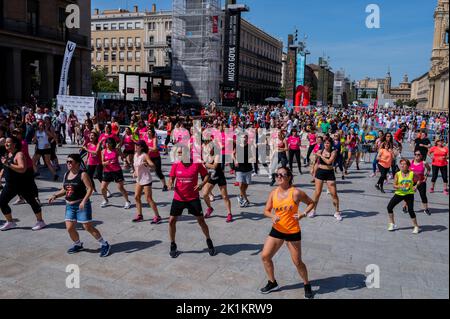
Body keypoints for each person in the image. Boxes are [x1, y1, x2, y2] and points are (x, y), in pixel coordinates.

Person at [260, 167, 315, 299]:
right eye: (276, 175)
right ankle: (272, 282)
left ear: (289, 177)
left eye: (282, 175)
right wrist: (271, 216)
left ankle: (307, 284)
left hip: (292, 232)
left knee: (297, 262)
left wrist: (303, 214)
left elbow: (311, 203)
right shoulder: (273, 193)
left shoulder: (295, 193)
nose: (278, 177)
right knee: (265, 256)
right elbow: (266, 210)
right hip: (277, 230)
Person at [48, 154, 110, 257]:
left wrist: (83, 201)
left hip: (81, 204)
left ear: (77, 163)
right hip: (69, 205)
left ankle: (104, 244)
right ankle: (78, 244)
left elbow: (89, 189)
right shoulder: (66, 174)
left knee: (87, 227)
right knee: (69, 228)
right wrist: (55, 195)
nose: (68, 163)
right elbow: (65, 189)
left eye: (70, 162)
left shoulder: (83, 174)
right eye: (67, 161)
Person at [167, 147, 216, 258]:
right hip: (179, 198)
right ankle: (173, 244)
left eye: (180, 153)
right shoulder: (176, 164)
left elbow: (206, 176)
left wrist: (201, 185)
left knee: (201, 221)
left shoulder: (196, 164)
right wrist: (170, 183)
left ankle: (209, 241)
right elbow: (171, 178)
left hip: (193, 198)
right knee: (171, 221)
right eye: (178, 153)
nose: (179, 155)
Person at [0, 136, 46, 231]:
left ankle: (40, 221)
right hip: (10, 185)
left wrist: (8, 164)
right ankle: (10, 222)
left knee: (32, 201)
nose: (6, 144)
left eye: (8, 142)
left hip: (22, 184)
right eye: (6, 142)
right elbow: (5, 168)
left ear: (15, 144)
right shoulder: (7, 154)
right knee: (2, 202)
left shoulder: (19, 154)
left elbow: (22, 168)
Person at [309, 138, 342, 221]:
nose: (326, 145)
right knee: (317, 193)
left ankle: (337, 212)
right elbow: (316, 162)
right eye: (325, 143)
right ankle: (313, 210)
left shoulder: (333, 152)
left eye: (328, 143)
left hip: (329, 172)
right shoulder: (320, 150)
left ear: (331, 144)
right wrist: (313, 169)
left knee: (334, 193)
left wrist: (320, 156)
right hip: (320, 172)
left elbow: (329, 162)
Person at [202, 139, 233, 223]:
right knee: (204, 194)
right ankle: (210, 208)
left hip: (219, 176)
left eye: (210, 147)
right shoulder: (206, 154)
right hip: (211, 176)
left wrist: (204, 164)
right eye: (207, 146)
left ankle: (229, 213)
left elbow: (214, 166)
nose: (208, 148)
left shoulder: (217, 155)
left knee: (225, 196)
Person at [387, 159, 421, 234]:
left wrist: (416, 186)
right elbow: (394, 185)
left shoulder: (412, 173)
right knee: (389, 207)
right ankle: (392, 223)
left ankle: (416, 226)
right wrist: (400, 187)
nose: (402, 165)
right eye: (401, 164)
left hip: (409, 194)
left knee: (410, 210)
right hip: (399, 194)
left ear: (408, 166)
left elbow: (419, 179)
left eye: (404, 164)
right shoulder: (397, 174)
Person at [132, 140, 162, 224]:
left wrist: (147, 164)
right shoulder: (135, 155)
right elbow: (136, 166)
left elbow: (153, 165)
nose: (135, 147)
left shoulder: (144, 155)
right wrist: (135, 172)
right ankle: (139, 215)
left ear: (141, 147)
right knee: (136, 197)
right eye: (135, 145)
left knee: (148, 199)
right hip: (139, 179)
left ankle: (157, 216)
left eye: (137, 145)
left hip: (146, 179)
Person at [100, 138, 131, 209]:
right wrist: (105, 163)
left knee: (120, 187)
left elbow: (123, 157)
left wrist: (125, 161)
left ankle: (127, 201)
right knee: (102, 188)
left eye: (109, 143)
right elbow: (102, 162)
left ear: (112, 144)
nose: (107, 145)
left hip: (117, 171)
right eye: (106, 143)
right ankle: (105, 200)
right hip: (107, 171)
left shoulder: (116, 150)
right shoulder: (103, 151)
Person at [406, 151, 431, 215]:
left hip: (421, 181)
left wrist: (426, 176)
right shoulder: (410, 162)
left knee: (423, 195)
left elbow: (429, 169)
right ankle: (405, 207)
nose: (417, 155)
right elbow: (406, 171)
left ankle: (426, 209)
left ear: (421, 156)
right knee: (408, 195)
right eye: (415, 154)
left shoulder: (424, 163)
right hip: (411, 182)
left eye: (418, 154)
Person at [233, 134, 254, 207]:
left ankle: (240, 196)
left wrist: (253, 159)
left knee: (246, 184)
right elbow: (232, 154)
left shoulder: (250, 146)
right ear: (240, 139)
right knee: (241, 185)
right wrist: (235, 160)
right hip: (239, 168)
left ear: (247, 139)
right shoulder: (237, 146)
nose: (244, 138)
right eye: (242, 137)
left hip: (248, 167)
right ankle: (246, 199)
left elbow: (253, 156)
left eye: (245, 137)